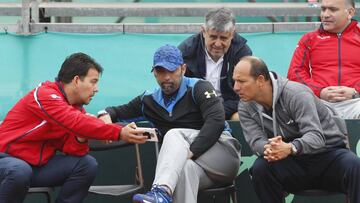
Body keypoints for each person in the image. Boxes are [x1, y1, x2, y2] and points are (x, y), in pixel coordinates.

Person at [99, 45, 241, 203]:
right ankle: (162, 193)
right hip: (195, 168)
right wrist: (104, 114)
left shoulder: (199, 87)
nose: (166, 77)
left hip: (223, 156)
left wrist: (189, 152)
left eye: (172, 70)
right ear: (154, 72)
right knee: (183, 171)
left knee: (173, 134)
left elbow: (216, 122)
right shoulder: (149, 99)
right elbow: (117, 111)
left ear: (183, 69)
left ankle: (161, 191)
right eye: (160, 71)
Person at [0, 53, 147, 203]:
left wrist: (81, 136)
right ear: (77, 80)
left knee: (86, 165)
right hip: (5, 159)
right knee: (19, 170)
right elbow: (75, 121)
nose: (96, 89)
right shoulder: (45, 94)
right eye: (93, 82)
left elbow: (73, 149)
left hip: (34, 168)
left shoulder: (75, 110)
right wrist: (119, 132)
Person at [233, 56, 360, 203]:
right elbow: (256, 142)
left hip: (328, 154)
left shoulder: (296, 94)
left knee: (355, 165)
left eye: (242, 81)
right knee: (261, 169)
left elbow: (316, 137)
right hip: (291, 162)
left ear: (260, 80)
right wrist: (271, 148)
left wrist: (291, 147)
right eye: (235, 81)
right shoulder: (244, 106)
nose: (236, 87)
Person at [287, 0, 360, 119]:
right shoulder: (309, 39)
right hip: (319, 103)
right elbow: (295, 74)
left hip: (356, 101)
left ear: (350, 12)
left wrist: (356, 92)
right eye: (323, 9)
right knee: (298, 104)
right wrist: (320, 92)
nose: (325, 14)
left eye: (333, 9)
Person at [178, 7, 252, 120]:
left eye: (223, 38)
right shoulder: (186, 52)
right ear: (203, 31)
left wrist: (217, 111)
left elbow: (247, 95)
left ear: (232, 34)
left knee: (240, 117)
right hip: (196, 110)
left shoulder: (242, 53)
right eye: (213, 37)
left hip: (228, 109)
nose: (218, 44)